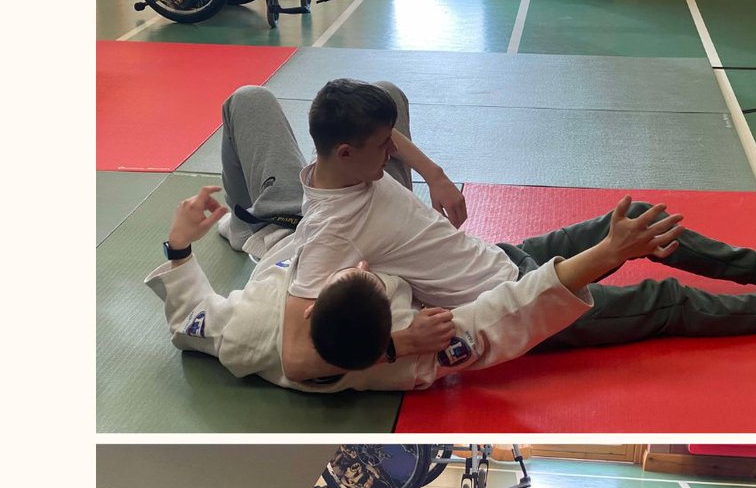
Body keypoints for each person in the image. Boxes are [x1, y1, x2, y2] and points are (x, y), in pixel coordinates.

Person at [210, 80, 756, 383]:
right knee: (665, 300)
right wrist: (397, 342)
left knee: (631, 218)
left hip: (504, 256)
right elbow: (298, 356)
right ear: (347, 152)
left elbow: (391, 130)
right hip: (511, 310)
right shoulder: (326, 238)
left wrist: (434, 174)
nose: (394, 152)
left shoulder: (344, 163)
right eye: (384, 146)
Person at [145, 183, 683, 392]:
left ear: (307, 310)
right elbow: (513, 306)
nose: (360, 263)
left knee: (247, 103)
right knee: (663, 302)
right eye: (367, 276)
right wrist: (608, 255)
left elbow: (187, 320)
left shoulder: (245, 327)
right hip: (497, 276)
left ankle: (248, 221)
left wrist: (177, 242)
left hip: (283, 226)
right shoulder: (422, 350)